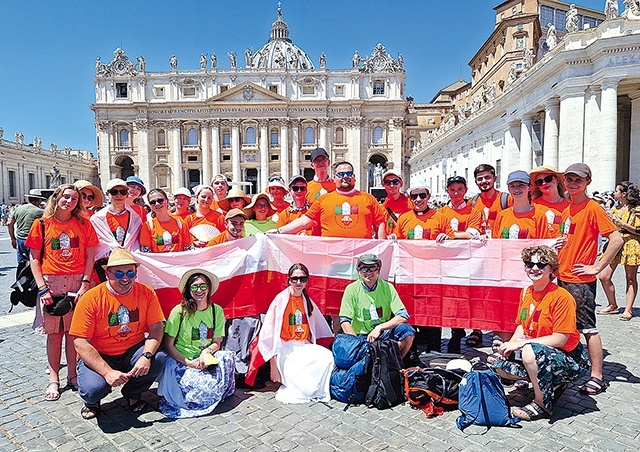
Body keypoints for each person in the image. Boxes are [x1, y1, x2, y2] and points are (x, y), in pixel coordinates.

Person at [491, 245, 589, 421]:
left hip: (569, 357)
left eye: (541, 264)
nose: (534, 268)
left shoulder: (562, 297)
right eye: (530, 264)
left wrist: (521, 344)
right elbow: (522, 325)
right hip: (539, 350)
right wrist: (509, 347)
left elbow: (560, 339)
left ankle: (542, 403)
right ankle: (551, 383)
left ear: (552, 269)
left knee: (529, 350)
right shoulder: (526, 292)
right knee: (499, 365)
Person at [70, 248, 167, 419]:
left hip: (132, 350)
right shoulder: (91, 299)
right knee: (94, 389)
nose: (125, 278)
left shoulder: (146, 292)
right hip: (100, 354)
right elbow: (80, 342)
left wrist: (146, 355)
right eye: (119, 273)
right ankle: (91, 402)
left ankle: (132, 393)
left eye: (130, 273)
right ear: (107, 274)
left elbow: (156, 328)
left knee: (157, 358)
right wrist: (107, 372)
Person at [26, 184, 98, 401]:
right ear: (57, 198)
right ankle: (54, 379)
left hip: (77, 281)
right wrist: (42, 288)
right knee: (54, 334)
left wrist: (85, 283)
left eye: (74, 199)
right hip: (52, 283)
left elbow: (90, 256)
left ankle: (72, 375)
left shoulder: (84, 224)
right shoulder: (42, 224)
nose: (69, 201)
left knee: (74, 333)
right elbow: (34, 258)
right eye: (66, 197)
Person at [557, 163, 623, 396]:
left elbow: (616, 240)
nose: (572, 183)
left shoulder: (592, 208)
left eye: (578, 180)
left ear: (587, 182)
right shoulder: (567, 209)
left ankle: (597, 376)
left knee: (588, 328)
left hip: (580, 280)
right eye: (569, 179)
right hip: (562, 277)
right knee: (567, 327)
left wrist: (596, 267)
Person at [246, 263, 334, 403]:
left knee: (327, 357)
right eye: (295, 279)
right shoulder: (280, 300)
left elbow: (317, 327)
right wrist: (273, 367)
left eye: (302, 279)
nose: (298, 282)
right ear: (289, 280)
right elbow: (270, 335)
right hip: (284, 348)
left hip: (303, 345)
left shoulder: (307, 300)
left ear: (307, 280)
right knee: (304, 388)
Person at [158, 269, 236, 418]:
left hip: (205, 358)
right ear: (188, 290)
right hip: (182, 359)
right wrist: (188, 362)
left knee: (228, 357)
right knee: (202, 392)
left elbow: (217, 342)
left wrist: (205, 352)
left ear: (209, 288)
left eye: (203, 286)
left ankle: (220, 392)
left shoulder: (216, 311)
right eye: (194, 287)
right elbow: (168, 345)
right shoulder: (179, 311)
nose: (199, 290)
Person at [277, 162, 386, 239]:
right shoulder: (323, 200)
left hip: (361, 259)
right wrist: (279, 231)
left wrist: (381, 247)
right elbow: (304, 221)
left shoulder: (368, 199)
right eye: (341, 174)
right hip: (332, 258)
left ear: (354, 177)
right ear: (334, 179)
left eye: (349, 174)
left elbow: (380, 223)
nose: (345, 177)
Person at [438, 175, 484, 353]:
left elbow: (472, 233)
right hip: (447, 262)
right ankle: (456, 332)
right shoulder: (441, 212)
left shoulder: (474, 212)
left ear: (465, 190)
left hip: (467, 262)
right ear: (447, 191)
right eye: (452, 190)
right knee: (450, 299)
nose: (456, 193)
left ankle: (471, 329)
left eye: (459, 189)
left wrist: (449, 235)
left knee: (467, 298)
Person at [339, 254, 415, 357]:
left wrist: (379, 328)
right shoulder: (351, 289)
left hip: (383, 332)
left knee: (407, 331)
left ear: (378, 270)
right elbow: (345, 321)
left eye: (372, 268)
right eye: (364, 268)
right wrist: (355, 342)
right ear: (359, 271)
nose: (369, 272)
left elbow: (403, 316)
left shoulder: (388, 287)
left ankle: (396, 363)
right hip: (361, 336)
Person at [597, 182, 640, 321]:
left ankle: (628, 309)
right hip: (615, 243)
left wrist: (623, 225)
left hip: (631, 243)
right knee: (604, 276)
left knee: (630, 278)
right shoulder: (615, 209)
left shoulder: (636, 209)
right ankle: (612, 304)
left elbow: (638, 231)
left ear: (624, 194)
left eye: (616, 191)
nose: (614, 193)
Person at [90, 178, 143, 282]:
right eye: (114, 192)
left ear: (127, 195)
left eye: (122, 192)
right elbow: (94, 246)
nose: (119, 195)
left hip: (129, 263)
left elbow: (137, 243)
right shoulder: (96, 219)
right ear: (107, 194)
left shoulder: (136, 218)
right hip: (105, 264)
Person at [493, 171, 554, 240]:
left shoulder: (539, 217)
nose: (516, 190)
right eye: (512, 186)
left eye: (521, 185)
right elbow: (495, 244)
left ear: (530, 187)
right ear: (508, 189)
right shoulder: (501, 216)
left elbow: (545, 245)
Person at [139, 189, 193, 253]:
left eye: (160, 200)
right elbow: (146, 253)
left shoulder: (180, 223)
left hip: (179, 262)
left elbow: (189, 249)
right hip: (157, 262)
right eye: (152, 202)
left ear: (167, 201)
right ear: (150, 206)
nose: (157, 204)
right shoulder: (147, 226)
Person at [471, 163, 512, 238]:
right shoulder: (472, 202)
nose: (483, 181)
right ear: (476, 182)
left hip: (499, 244)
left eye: (487, 177)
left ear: (495, 178)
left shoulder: (506, 199)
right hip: (478, 245)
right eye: (479, 179)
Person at [530, 166, 569, 237]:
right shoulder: (532, 206)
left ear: (557, 180)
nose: (544, 183)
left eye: (548, 179)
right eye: (539, 182)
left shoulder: (569, 206)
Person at [7, 193, 44, 264]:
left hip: (20, 239)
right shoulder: (40, 211)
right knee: (36, 263)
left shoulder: (18, 209)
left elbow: (9, 223)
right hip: (34, 240)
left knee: (22, 264)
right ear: (39, 200)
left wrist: (12, 238)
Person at [381, 170, 412, 237]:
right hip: (389, 244)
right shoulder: (381, 208)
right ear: (383, 185)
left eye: (395, 182)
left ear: (401, 184)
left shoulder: (411, 205)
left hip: (405, 244)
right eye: (388, 182)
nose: (392, 185)